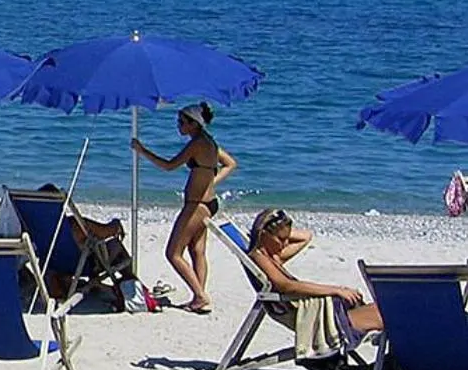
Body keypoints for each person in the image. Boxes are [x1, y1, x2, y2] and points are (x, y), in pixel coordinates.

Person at [132, 102, 236, 314]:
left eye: (182, 122)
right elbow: (230, 164)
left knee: (173, 253)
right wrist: (211, 182)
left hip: (196, 205)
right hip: (208, 203)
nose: (178, 125)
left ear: (193, 124)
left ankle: (200, 296)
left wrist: (142, 151)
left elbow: (170, 166)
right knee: (197, 251)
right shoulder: (210, 142)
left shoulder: (197, 143)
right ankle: (199, 297)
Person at [247, 207, 384, 344]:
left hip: (313, 310)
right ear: (264, 235)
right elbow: (286, 286)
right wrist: (336, 290)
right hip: (308, 316)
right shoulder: (259, 257)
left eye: (287, 239)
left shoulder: (273, 257)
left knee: (384, 310)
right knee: (387, 315)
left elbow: (306, 236)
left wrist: (279, 229)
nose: (285, 244)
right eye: (281, 239)